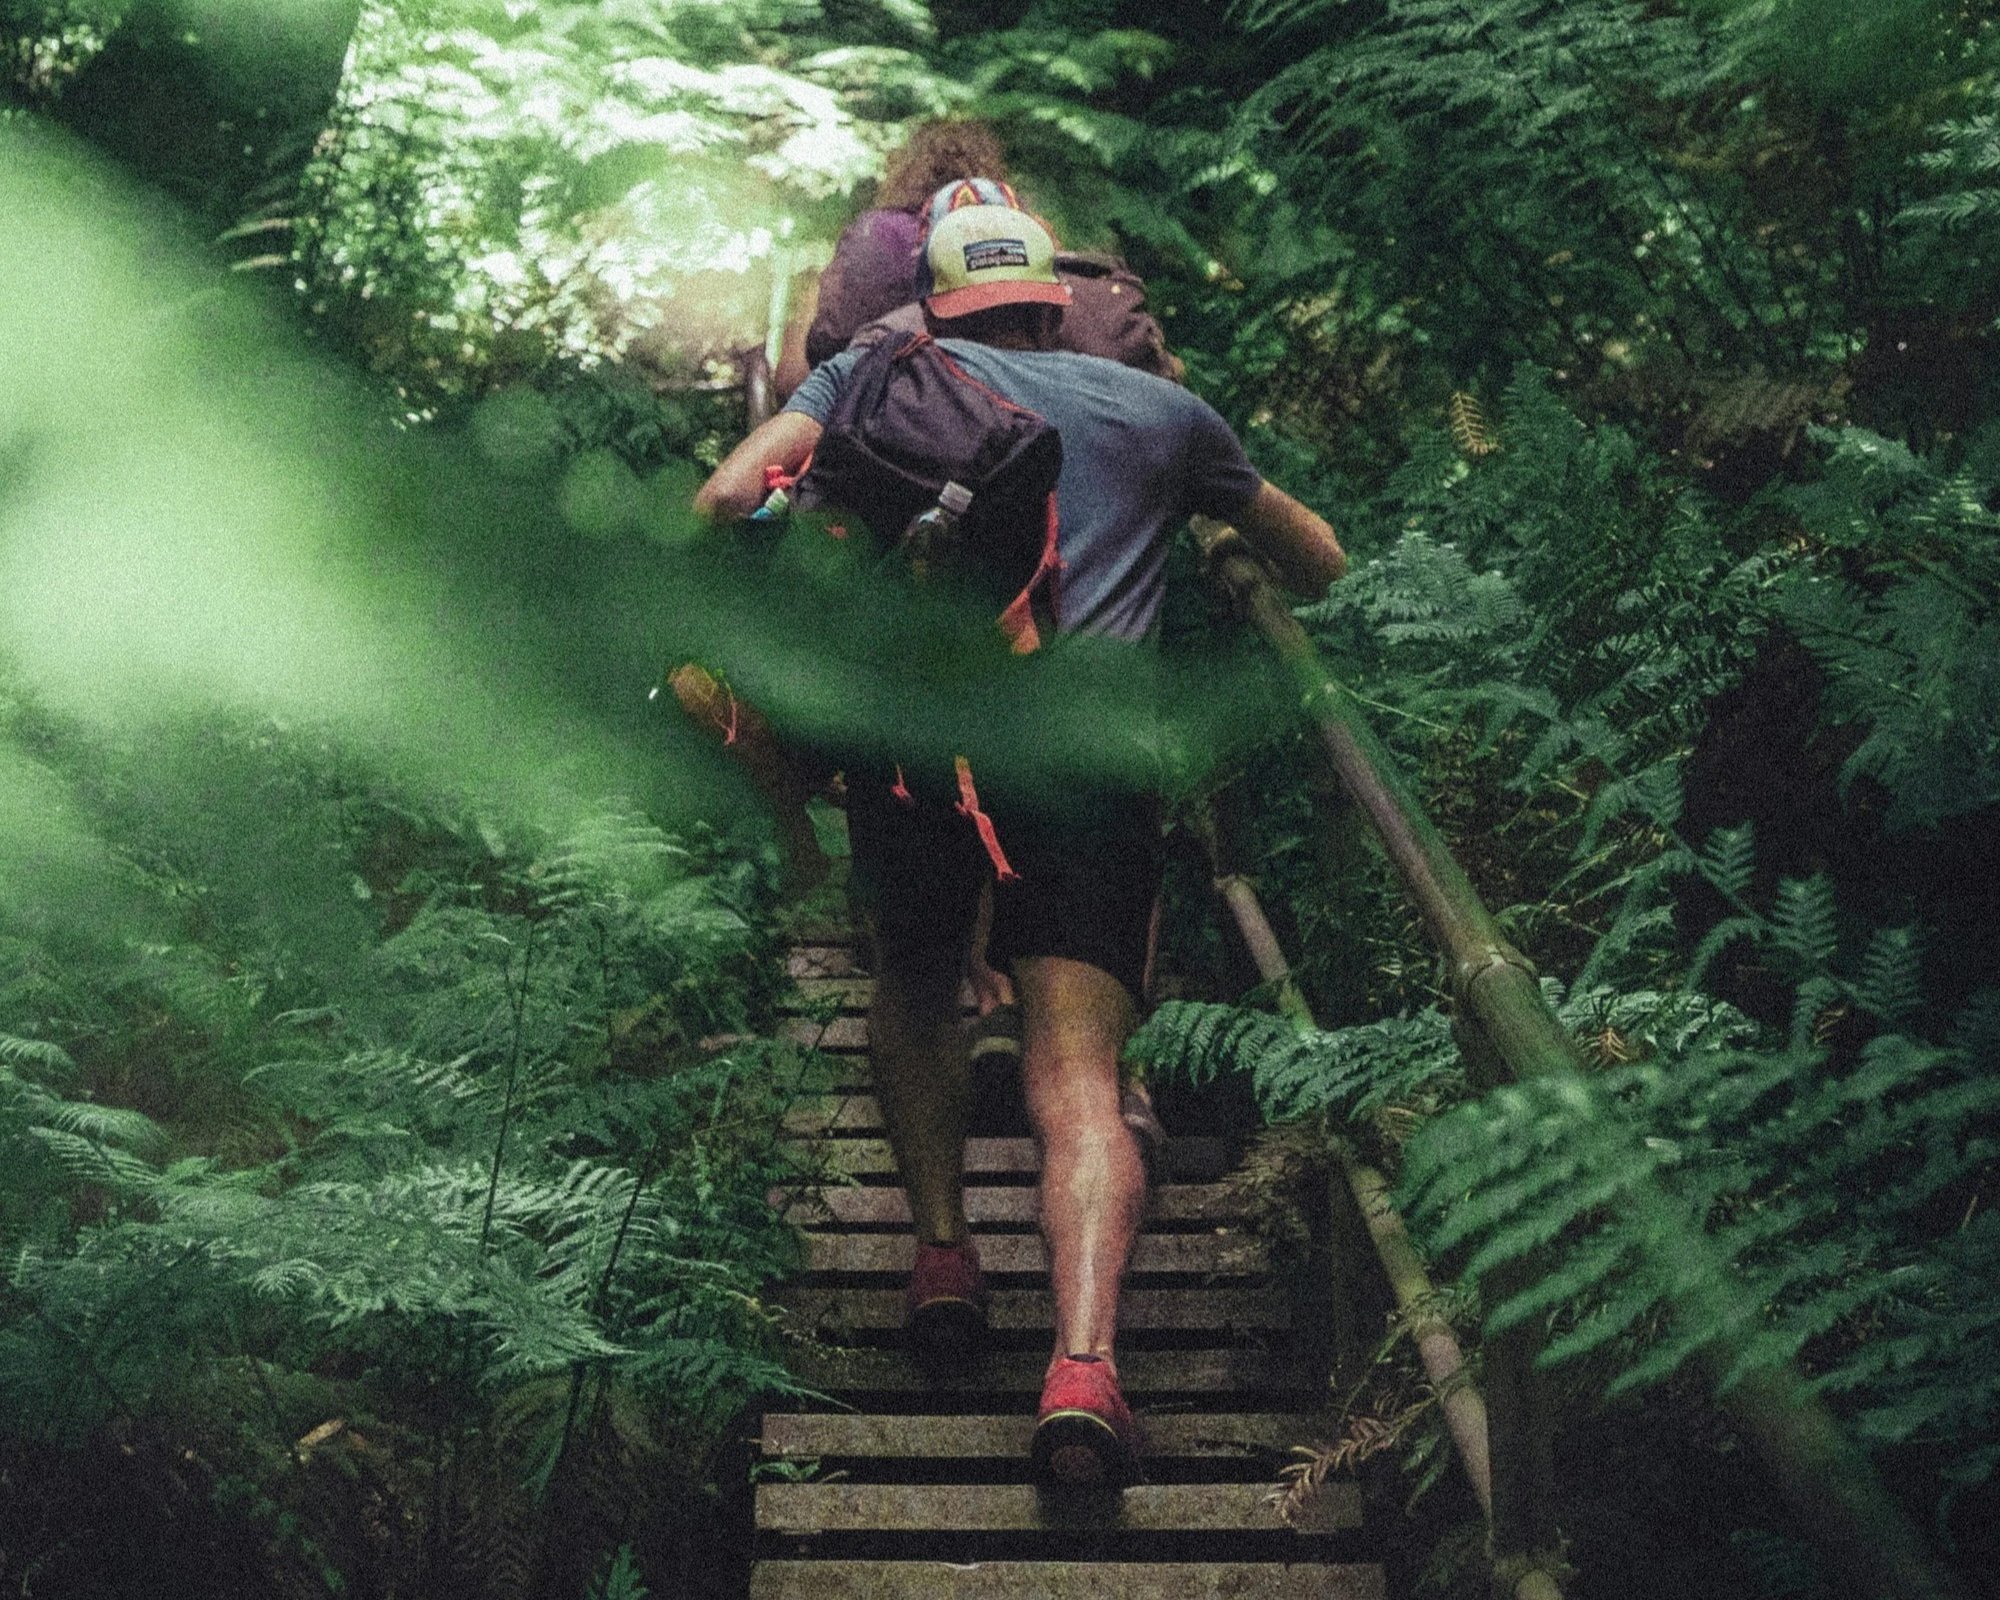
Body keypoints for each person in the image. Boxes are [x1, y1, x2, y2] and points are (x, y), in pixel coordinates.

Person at [694, 194, 1346, 1488]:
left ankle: (942, 1256)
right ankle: (1085, 1367)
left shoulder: (865, 374)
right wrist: (1201, 518)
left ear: (934, 309)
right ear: (1059, 303)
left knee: (914, 988)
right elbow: (1320, 561)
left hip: (915, 755)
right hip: (1089, 774)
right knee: (1077, 1074)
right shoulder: (1160, 412)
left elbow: (724, 499)